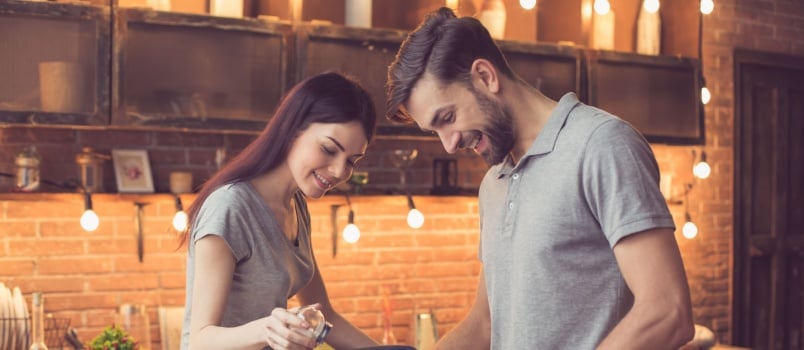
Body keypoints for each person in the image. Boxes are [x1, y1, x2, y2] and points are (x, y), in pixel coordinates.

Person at [386, 7, 695, 350]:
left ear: (485, 76)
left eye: (448, 117)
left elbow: (668, 311)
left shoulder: (601, 145)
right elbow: (485, 324)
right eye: (435, 131)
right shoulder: (494, 184)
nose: (449, 144)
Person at [180, 72, 380, 350]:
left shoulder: (295, 205)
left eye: (351, 161)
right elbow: (199, 341)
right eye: (328, 149)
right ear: (293, 128)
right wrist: (267, 329)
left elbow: (325, 316)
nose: (339, 171)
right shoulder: (230, 206)